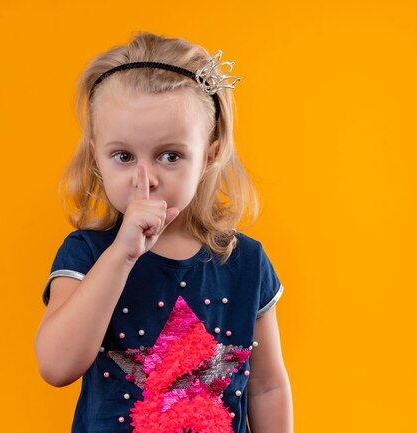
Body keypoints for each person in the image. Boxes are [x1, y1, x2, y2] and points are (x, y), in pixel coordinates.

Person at [35, 31, 293, 433]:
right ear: (97, 158)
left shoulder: (246, 262)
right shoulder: (87, 252)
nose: (146, 178)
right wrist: (122, 255)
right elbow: (55, 366)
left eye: (169, 156)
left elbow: (267, 388)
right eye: (123, 156)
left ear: (210, 154)